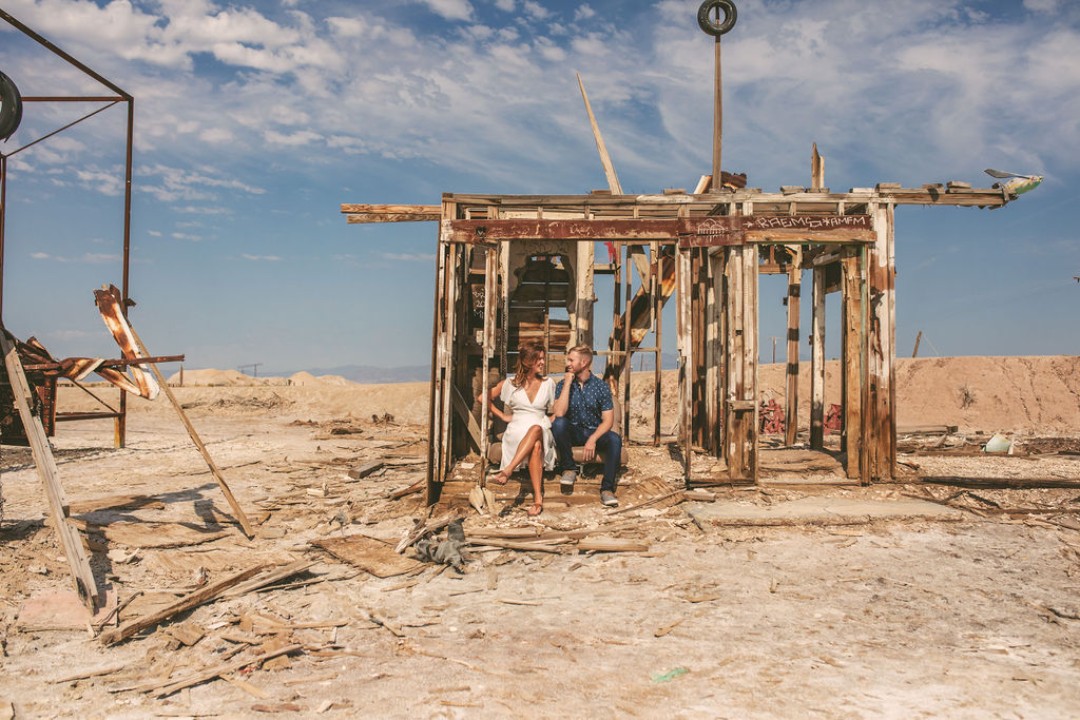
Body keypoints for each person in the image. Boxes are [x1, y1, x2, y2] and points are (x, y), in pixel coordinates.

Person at [480, 340, 556, 516]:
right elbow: (483, 398)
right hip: (516, 430)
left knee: (537, 429)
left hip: (540, 427)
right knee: (535, 446)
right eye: (539, 359)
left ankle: (507, 470)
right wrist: (503, 416)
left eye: (543, 359)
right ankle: (538, 500)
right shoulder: (510, 383)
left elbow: (557, 410)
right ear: (528, 361)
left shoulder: (548, 383)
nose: (543, 363)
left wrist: (551, 419)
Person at [552, 344, 622, 507]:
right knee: (559, 423)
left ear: (583, 363)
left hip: (594, 431)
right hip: (572, 431)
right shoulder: (563, 384)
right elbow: (559, 413)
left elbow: (608, 421)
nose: (567, 363)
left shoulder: (601, 387)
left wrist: (593, 439)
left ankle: (607, 489)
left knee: (614, 439)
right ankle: (569, 469)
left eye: (571, 360)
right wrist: (568, 383)